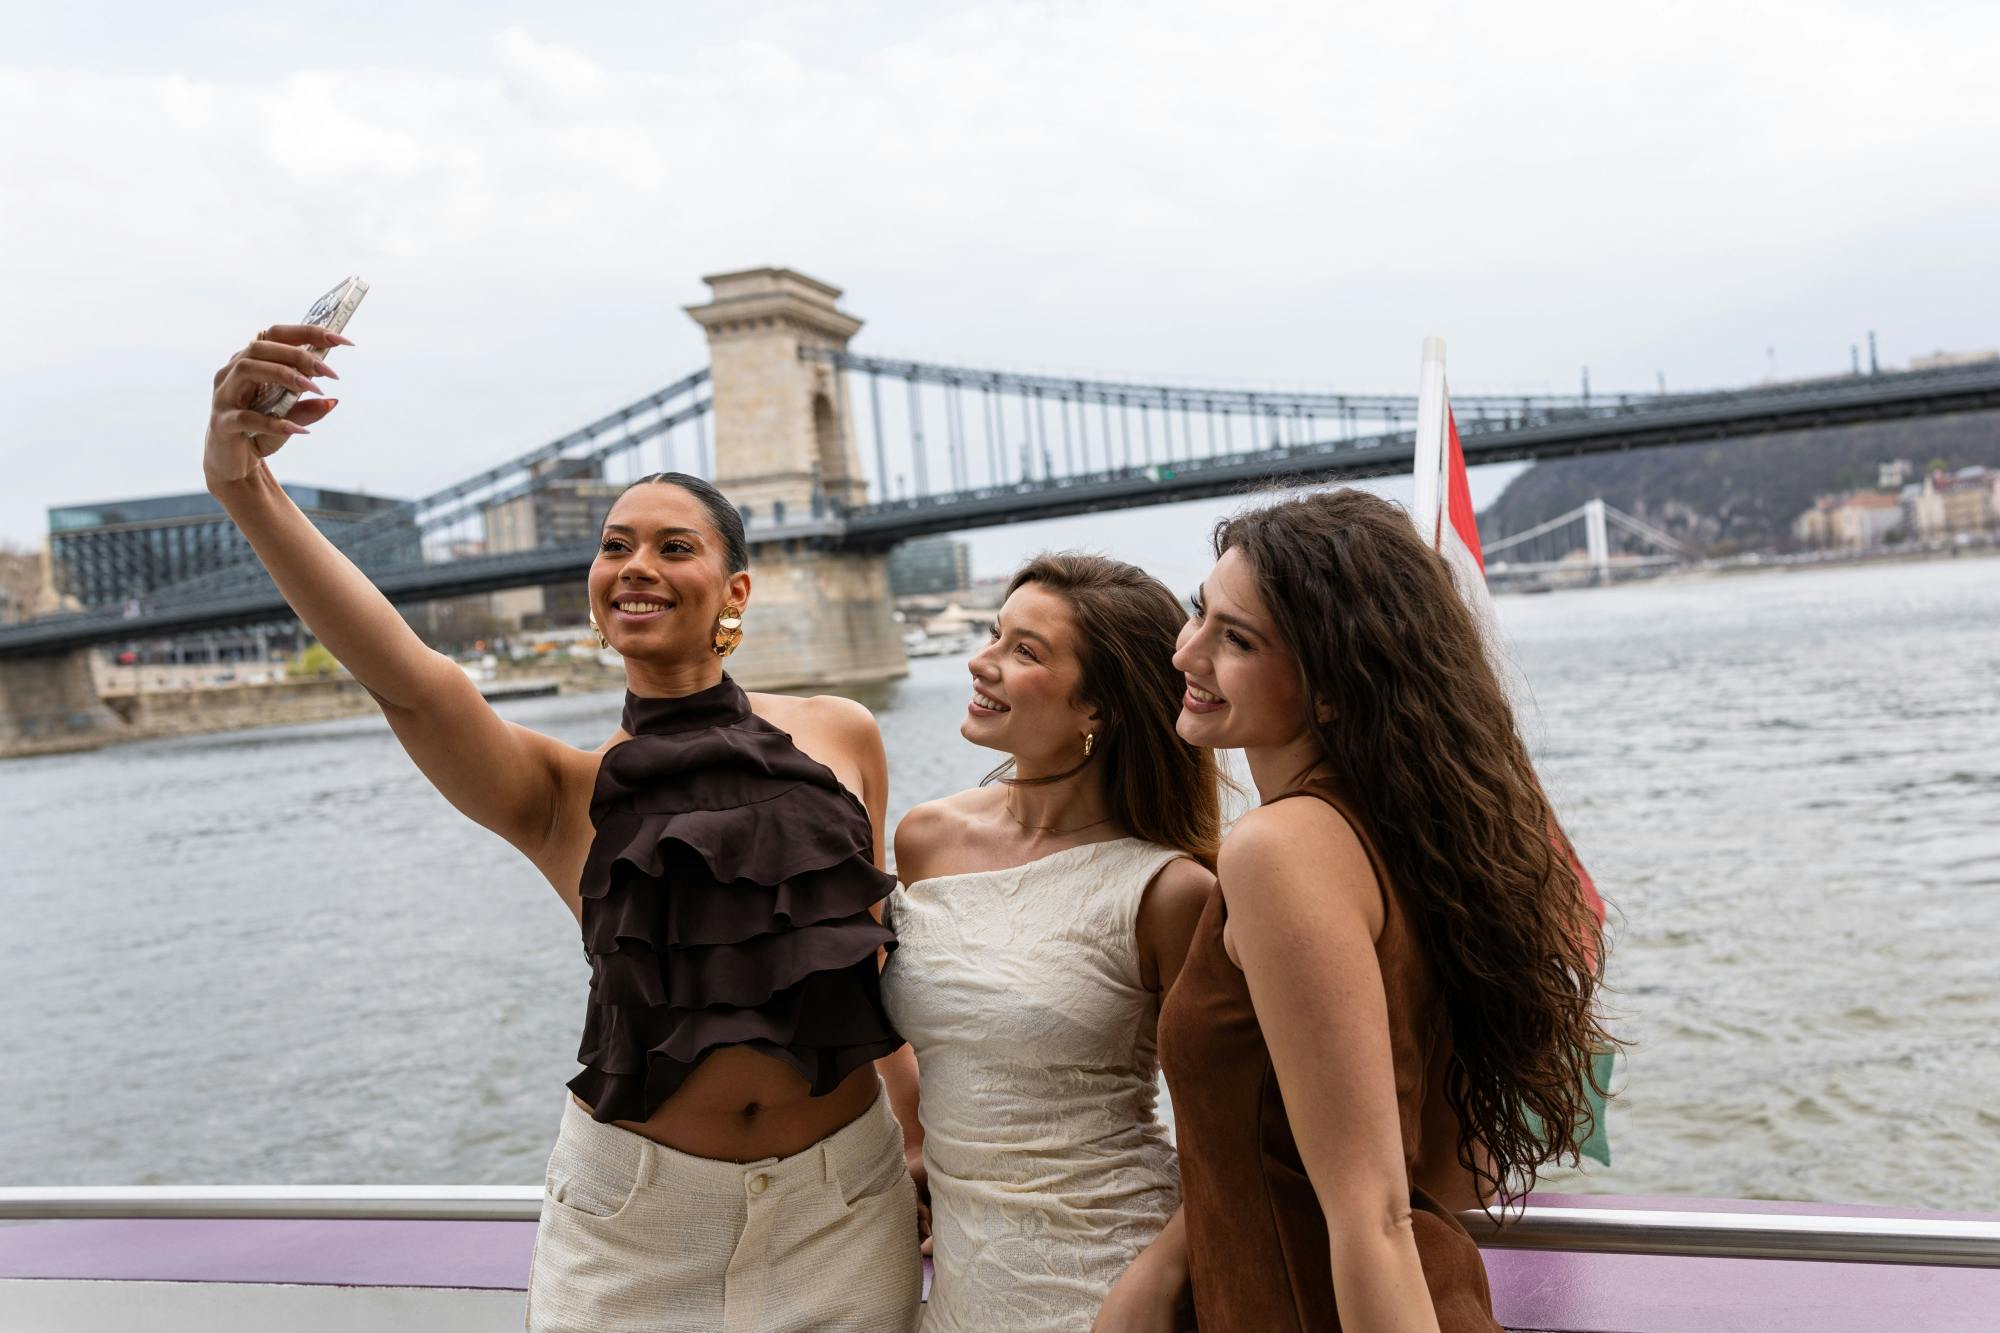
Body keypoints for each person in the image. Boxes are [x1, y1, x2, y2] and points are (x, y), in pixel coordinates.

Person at [201, 323, 921, 1333]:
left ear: (735, 591)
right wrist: (244, 485)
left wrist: (923, 1141)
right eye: (613, 545)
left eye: (675, 546)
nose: (636, 565)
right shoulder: (557, 792)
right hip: (638, 1231)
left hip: (847, 1209)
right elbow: (410, 681)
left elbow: (864, 962)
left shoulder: (842, 734)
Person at [1155, 490, 1613, 1332]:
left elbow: (1375, 1214)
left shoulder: (1280, 848)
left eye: (1237, 638)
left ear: (1332, 686)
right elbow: (1448, 1171)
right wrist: (1165, 1267)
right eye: (1199, 613)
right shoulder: (1425, 838)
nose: (1187, 650)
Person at [880, 553, 1219, 1332]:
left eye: (1024, 651)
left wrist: (1162, 1276)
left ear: (1096, 707)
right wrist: (915, 1143)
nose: (981, 660)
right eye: (995, 634)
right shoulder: (926, 838)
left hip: (1110, 1283)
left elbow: (1237, 1127)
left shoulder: (1167, 890)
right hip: (961, 1286)